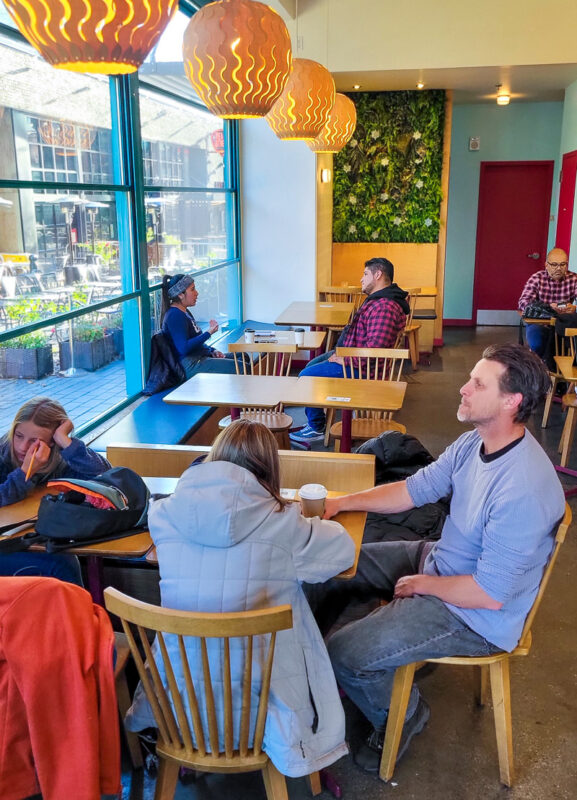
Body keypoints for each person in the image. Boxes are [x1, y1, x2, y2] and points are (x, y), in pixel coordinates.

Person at [315, 343, 565, 773]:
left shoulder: (522, 488)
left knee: (344, 653)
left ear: (511, 401)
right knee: (332, 563)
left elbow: (488, 595)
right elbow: (416, 488)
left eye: (478, 383)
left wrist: (422, 586)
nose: (463, 389)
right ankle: (324, 670)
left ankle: (406, 714)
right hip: (443, 561)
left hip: (475, 616)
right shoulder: (474, 444)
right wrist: (346, 502)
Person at [126, 419, 355, 778]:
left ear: (214, 458)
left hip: (181, 701)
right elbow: (342, 551)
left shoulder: (164, 515)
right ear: (269, 468)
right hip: (262, 707)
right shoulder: (284, 523)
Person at [290, 258, 409, 443]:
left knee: (307, 376)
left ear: (378, 275)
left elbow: (375, 351)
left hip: (364, 370)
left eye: (365, 274)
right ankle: (319, 418)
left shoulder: (385, 307)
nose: (361, 279)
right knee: (312, 365)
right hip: (352, 354)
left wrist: (344, 360)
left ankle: (316, 427)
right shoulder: (379, 300)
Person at [0, 397, 110, 584]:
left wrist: (66, 442)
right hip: (6, 545)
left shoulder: (63, 461)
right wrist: (25, 473)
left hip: (33, 539)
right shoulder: (3, 454)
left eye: (34, 441)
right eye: (19, 436)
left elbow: (107, 478)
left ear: (52, 443)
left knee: (66, 560)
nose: (22, 447)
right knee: (62, 565)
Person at [161, 273, 239, 377]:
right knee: (243, 367)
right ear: (180, 294)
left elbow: (196, 342)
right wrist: (208, 332)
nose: (196, 293)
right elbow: (183, 348)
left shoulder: (184, 312)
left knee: (243, 356)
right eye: (192, 289)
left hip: (199, 356)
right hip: (190, 364)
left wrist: (212, 351)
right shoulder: (174, 315)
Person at [518, 247, 577, 357]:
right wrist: (547, 308)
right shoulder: (537, 278)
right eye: (554, 264)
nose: (558, 268)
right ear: (546, 265)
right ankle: (539, 368)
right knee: (537, 344)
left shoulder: (573, 279)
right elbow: (523, 303)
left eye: (563, 264)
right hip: (540, 322)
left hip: (565, 322)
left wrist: (574, 308)